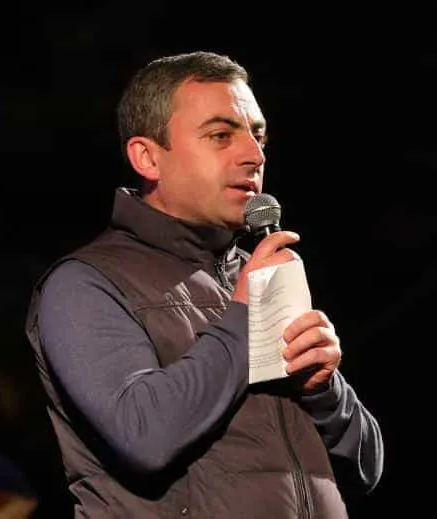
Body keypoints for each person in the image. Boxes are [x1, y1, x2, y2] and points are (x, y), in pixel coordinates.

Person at [25, 50, 384, 518]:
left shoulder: (255, 274)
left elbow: (364, 470)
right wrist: (245, 321)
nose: (254, 156)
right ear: (147, 158)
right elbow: (144, 436)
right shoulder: (85, 284)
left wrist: (323, 390)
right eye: (220, 135)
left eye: (258, 137)